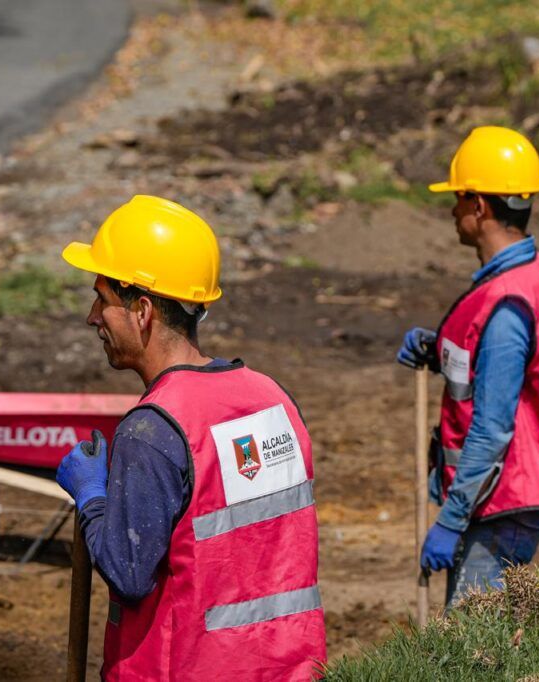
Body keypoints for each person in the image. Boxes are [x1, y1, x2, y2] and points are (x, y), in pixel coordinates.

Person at [54, 195, 326, 680]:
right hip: (285, 670)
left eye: (103, 299)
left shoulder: (152, 429)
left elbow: (126, 571)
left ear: (141, 310)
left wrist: (92, 496)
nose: (93, 317)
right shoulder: (273, 400)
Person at [396, 127, 539, 607]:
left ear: (479, 206)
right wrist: (441, 349)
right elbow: (515, 367)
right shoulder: (535, 272)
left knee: (473, 648)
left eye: (458, 199)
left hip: (502, 501)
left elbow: (492, 428)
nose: (452, 211)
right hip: (515, 492)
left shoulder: (506, 307)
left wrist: (451, 520)